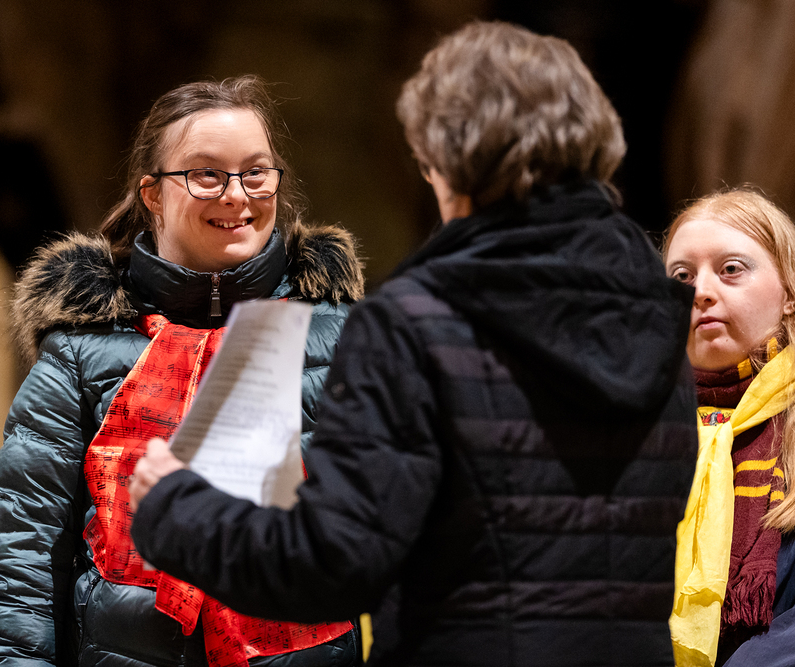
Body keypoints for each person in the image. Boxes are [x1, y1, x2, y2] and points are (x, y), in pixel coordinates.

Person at [127, 20, 699, 667]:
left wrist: (176, 506)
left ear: (446, 160)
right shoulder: (655, 314)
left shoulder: (413, 323)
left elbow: (334, 560)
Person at [0, 75, 364, 667]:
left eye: (256, 173)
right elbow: (23, 563)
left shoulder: (344, 339)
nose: (237, 195)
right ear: (152, 194)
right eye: (207, 174)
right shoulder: (81, 350)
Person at [664, 188, 795, 666]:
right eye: (681, 276)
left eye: (731, 269)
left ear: (789, 293)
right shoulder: (629, 432)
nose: (700, 291)